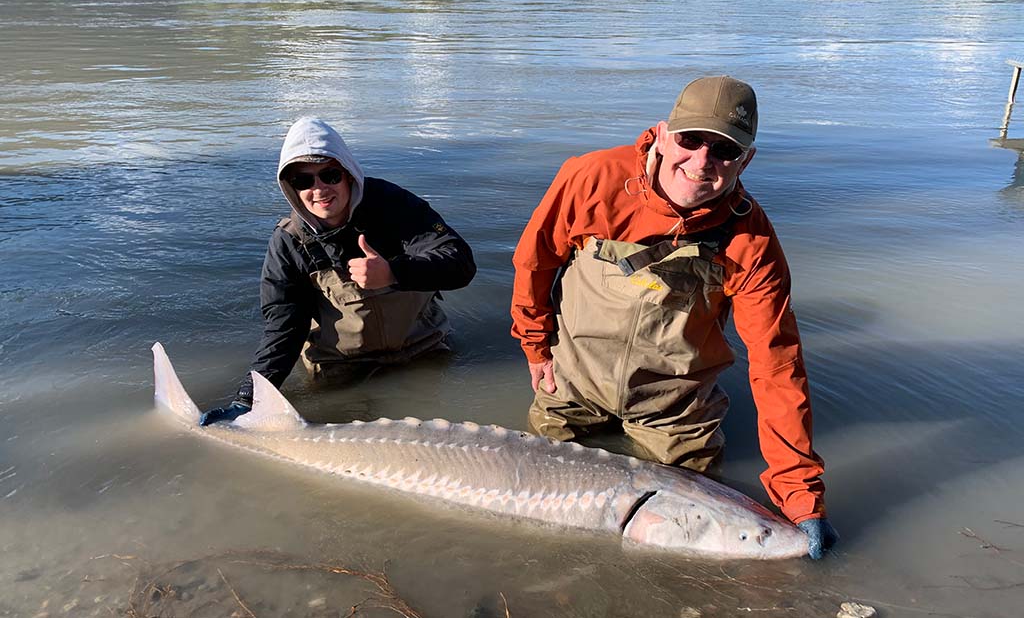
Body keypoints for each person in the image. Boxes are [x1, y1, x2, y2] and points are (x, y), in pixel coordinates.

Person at [510, 76, 838, 559]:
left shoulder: (752, 241)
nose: (701, 162)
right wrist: (536, 348)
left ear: (746, 160)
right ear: (663, 135)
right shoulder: (592, 177)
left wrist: (802, 499)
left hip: (674, 406)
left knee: (696, 533)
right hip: (572, 382)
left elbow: (776, 367)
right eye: (690, 140)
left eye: (724, 150)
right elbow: (534, 263)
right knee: (526, 506)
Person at [201, 116, 476, 424]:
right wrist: (248, 399)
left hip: (423, 349)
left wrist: (394, 272)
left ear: (348, 174)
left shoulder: (395, 207)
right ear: (290, 188)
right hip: (343, 365)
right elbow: (284, 327)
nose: (319, 190)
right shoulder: (289, 242)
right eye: (304, 181)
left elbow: (460, 263)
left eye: (329, 175)